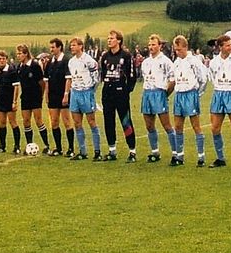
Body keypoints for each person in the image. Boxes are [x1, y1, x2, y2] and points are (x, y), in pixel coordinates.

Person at [207, 34, 231, 168]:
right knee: (215, 128)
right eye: (228, 45)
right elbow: (211, 76)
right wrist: (219, 87)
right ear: (220, 47)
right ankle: (220, 159)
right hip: (219, 94)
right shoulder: (214, 62)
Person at [98, 30, 137, 162]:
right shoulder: (104, 56)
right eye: (108, 38)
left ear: (119, 40)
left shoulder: (126, 56)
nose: (109, 40)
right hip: (107, 92)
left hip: (121, 93)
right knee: (108, 122)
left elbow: (132, 75)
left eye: (112, 38)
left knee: (125, 121)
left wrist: (126, 90)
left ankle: (132, 151)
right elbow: (103, 74)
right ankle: (112, 151)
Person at [170, 34, 208, 167]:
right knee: (178, 126)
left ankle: (201, 157)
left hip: (191, 95)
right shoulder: (176, 63)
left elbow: (203, 79)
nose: (177, 52)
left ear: (185, 47)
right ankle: (179, 156)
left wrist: (197, 94)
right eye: (175, 49)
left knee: (196, 126)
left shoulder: (194, 61)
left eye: (179, 49)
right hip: (179, 94)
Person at [140, 34, 176, 163]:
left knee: (166, 125)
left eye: (154, 44)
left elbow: (173, 80)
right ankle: (155, 152)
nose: (151, 47)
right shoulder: (145, 62)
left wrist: (165, 93)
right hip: (147, 93)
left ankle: (175, 153)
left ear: (160, 45)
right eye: (149, 45)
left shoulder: (166, 61)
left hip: (159, 93)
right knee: (149, 125)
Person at [65, 36, 101, 160]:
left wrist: (91, 90)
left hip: (87, 92)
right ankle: (82, 151)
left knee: (91, 122)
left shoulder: (89, 60)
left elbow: (96, 77)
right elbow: (71, 77)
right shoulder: (71, 61)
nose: (71, 47)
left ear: (81, 46)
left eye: (74, 45)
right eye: (71, 45)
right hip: (75, 93)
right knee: (77, 123)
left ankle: (97, 151)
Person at [44, 38, 75, 157]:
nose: (51, 49)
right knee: (54, 122)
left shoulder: (66, 60)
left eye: (53, 47)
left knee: (67, 121)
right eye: (50, 47)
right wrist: (46, 95)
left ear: (59, 47)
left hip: (63, 96)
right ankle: (58, 148)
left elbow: (68, 79)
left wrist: (66, 94)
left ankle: (71, 148)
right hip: (52, 96)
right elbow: (46, 81)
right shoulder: (50, 62)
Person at [16, 44, 50, 153]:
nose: (18, 55)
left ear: (26, 54)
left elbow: (42, 82)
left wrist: (40, 95)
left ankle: (46, 145)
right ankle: (29, 145)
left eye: (20, 53)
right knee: (26, 121)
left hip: (35, 97)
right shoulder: (20, 67)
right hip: (25, 97)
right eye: (17, 53)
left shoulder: (34, 65)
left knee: (38, 120)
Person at [0, 49, 21, 153]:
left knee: (13, 122)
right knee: (2, 123)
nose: (1, 60)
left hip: (9, 101)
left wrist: (14, 101)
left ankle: (17, 146)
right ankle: (2, 146)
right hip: (0, 101)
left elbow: (16, 87)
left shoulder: (12, 71)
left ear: (6, 60)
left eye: (3, 59)